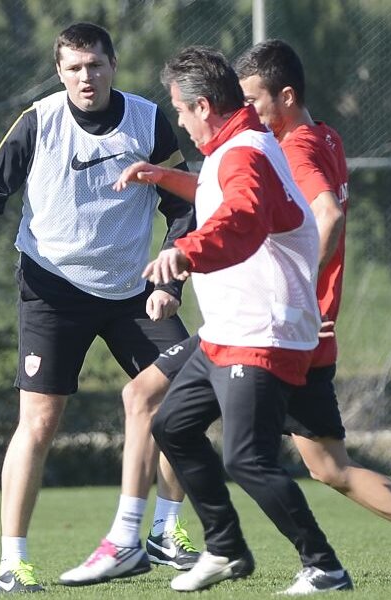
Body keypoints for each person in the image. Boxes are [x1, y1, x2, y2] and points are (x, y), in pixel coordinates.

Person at [115, 38, 391, 591]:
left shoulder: (291, 149)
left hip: (273, 326)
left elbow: (321, 213)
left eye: (253, 99)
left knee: (201, 430)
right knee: (327, 466)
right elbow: (246, 200)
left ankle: (184, 540)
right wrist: (164, 177)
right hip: (291, 327)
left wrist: (297, 289)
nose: (245, 109)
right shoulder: (320, 139)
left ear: (285, 97)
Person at [0, 22, 200, 593]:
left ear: (112, 65)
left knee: (184, 397)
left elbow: (184, 206)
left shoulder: (147, 121)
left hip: (133, 291)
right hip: (53, 291)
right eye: (74, 68)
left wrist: (170, 279)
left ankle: (166, 531)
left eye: (94, 65)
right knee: (39, 422)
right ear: (59, 72)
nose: (85, 77)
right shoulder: (38, 121)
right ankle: (13, 563)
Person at [143, 45, 353, 595]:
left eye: (180, 110)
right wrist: (163, 178)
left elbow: (242, 217)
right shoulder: (235, 146)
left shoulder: (243, 152)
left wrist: (185, 251)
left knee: (247, 459)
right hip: (227, 332)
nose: (180, 122)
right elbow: (225, 193)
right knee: (172, 425)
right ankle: (226, 548)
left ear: (203, 106)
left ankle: (324, 567)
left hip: (262, 332)